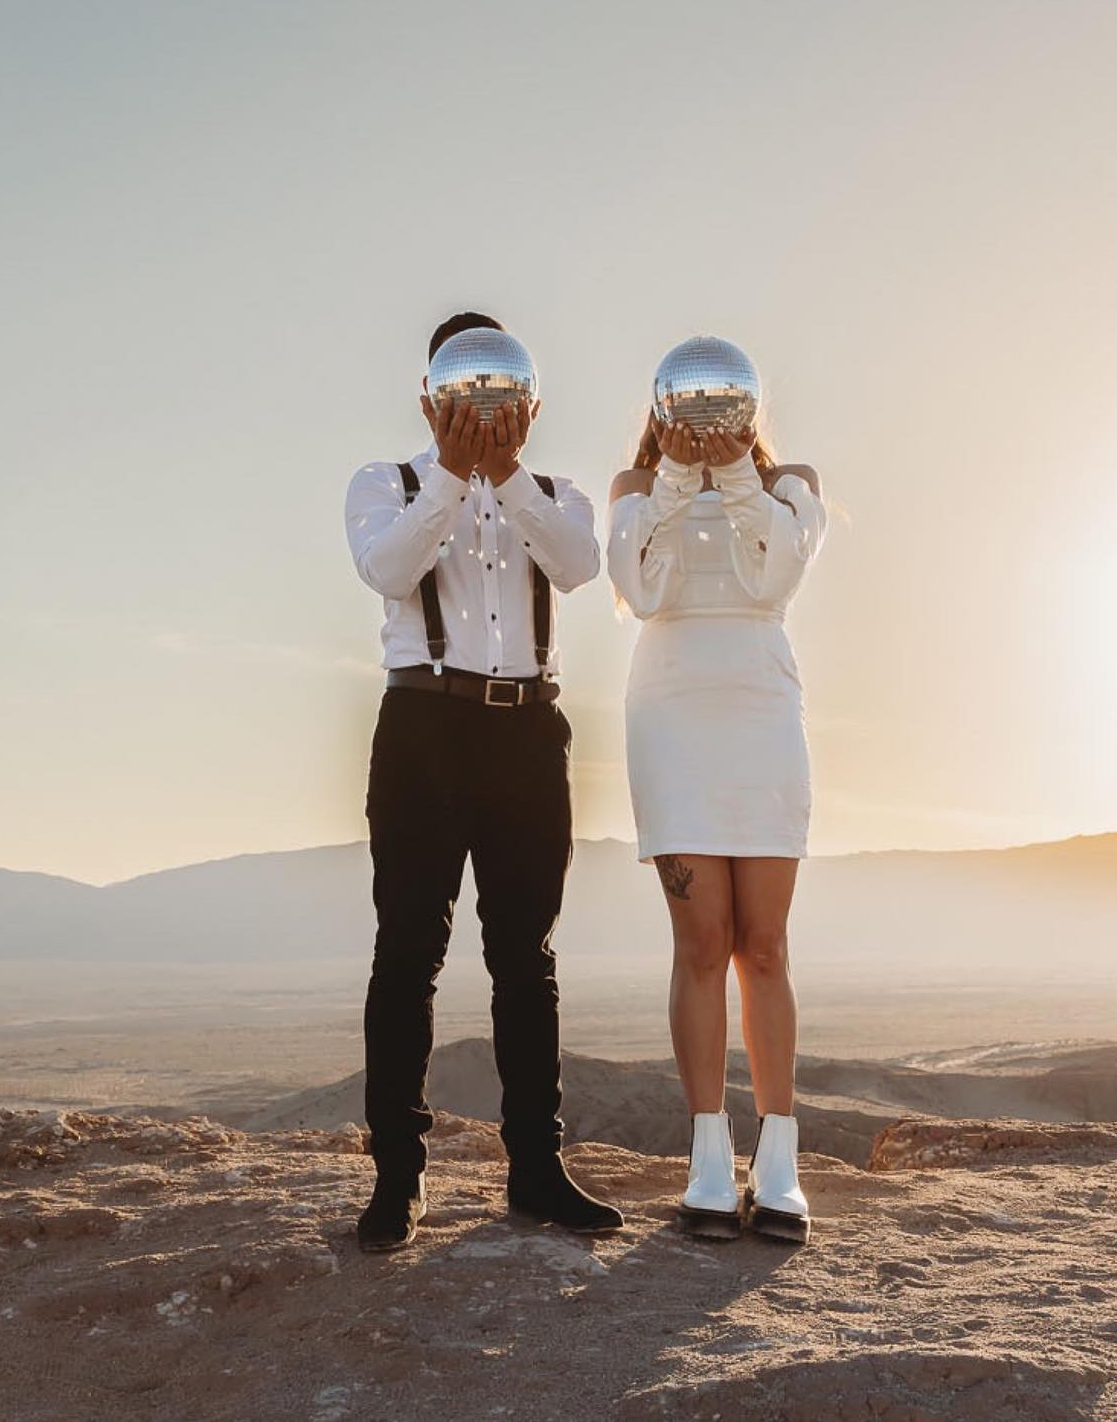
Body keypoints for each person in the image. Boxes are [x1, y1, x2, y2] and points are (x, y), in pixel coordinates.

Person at [345, 310, 623, 1251]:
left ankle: (536, 1173)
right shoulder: (386, 483)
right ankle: (397, 1178)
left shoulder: (559, 493)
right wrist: (457, 482)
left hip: (528, 732)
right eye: (465, 390)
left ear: (531, 403)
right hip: (423, 724)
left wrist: (503, 478)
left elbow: (581, 567)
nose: (485, 409)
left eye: (504, 393)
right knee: (408, 953)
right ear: (430, 397)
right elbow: (387, 569)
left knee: (526, 957)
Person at [607, 393, 827, 1243]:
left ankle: (779, 1161)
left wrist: (736, 471)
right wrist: (668, 475)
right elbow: (638, 585)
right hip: (672, 719)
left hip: (761, 718)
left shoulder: (792, 483)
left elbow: (775, 578)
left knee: (764, 944)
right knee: (701, 941)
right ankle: (707, 1154)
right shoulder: (635, 483)